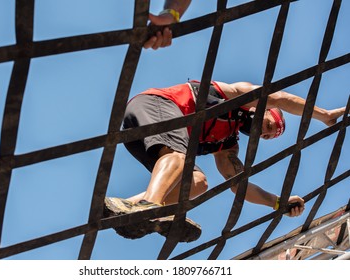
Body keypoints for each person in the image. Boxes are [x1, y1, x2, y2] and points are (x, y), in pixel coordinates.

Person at [104, 80, 346, 242]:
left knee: (198, 182)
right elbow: (281, 98)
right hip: (155, 105)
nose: (264, 133)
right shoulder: (234, 95)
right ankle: (151, 207)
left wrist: (278, 203)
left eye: (267, 136)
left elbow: (239, 186)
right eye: (269, 125)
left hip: (140, 135)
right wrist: (324, 115)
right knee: (178, 156)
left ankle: (122, 208)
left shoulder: (227, 145)